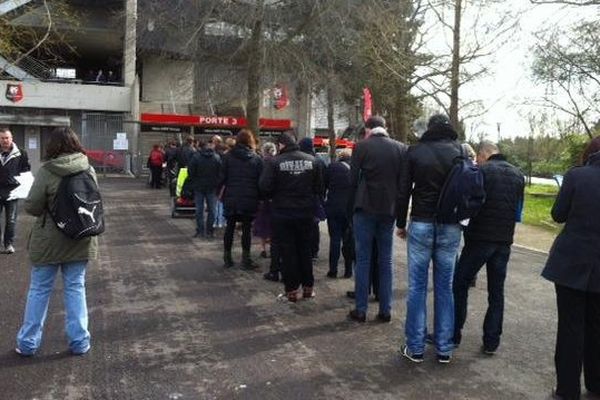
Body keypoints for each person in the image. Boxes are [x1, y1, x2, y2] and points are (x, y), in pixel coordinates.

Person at [15, 127, 98, 356]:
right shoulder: (88, 168)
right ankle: (80, 342)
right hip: (80, 238)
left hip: (49, 241)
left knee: (40, 290)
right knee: (75, 289)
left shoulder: (47, 171)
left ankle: (28, 344)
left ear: (52, 146)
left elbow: (32, 206)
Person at [397, 114, 463, 364]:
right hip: (450, 225)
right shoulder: (460, 151)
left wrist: (401, 223)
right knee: (445, 287)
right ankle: (444, 348)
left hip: (422, 222)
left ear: (429, 129)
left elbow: (403, 190)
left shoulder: (415, 152)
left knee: (417, 287)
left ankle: (415, 348)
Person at [453, 141, 524, 355]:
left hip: (479, 239)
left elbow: (470, 204)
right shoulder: (518, 175)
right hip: (504, 240)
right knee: (496, 291)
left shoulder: (481, 171)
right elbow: (518, 211)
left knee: (460, 283)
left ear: (484, 154)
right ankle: (491, 341)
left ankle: (453, 333)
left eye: (478, 157)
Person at [542, 137, 600, 400]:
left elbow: (558, 214)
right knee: (597, 326)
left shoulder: (577, 176)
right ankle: (597, 383)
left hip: (572, 262)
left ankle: (567, 389)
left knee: (570, 327)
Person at [347, 116, 408, 323]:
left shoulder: (361, 147)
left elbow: (352, 181)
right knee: (386, 259)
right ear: (385, 127)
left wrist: (350, 211)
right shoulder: (401, 148)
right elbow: (403, 186)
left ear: (368, 129)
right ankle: (385, 309)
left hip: (364, 207)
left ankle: (361, 309)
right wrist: (401, 217)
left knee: (363, 258)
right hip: (388, 210)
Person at [259, 131, 323, 302]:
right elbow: (319, 187)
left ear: (281, 145)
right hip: (306, 213)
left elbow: (264, 186)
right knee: (305, 250)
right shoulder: (312, 160)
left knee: (288, 252)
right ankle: (308, 288)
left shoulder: (274, 162)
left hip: (283, 212)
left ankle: (291, 290)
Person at [220, 129, 263, 269]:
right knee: (246, 229)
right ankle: (246, 259)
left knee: (230, 227)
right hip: (249, 198)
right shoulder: (256, 159)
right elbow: (261, 181)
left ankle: (227, 258)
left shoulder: (227, 157)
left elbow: (222, 178)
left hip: (231, 196)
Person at [0, 127, 31, 254]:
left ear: (11, 138)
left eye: (7, 138)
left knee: (11, 220)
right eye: (2, 138)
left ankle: (8, 244)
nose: (4, 140)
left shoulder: (21, 153)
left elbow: (26, 170)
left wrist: (24, 186)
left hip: (13, 192)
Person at [324, 148, 353, 279]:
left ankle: (333, 270)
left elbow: (324, 185)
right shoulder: (355, 168)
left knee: (335, 240)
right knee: (348, 241)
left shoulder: (332, 167)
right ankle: (348, 270)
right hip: (349, 209)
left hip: (333, 207)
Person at [299, 137, 326, 261]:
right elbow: (324, 181)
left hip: (303, 198)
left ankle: (303, 250)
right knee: (314, 226)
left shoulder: (300, 160)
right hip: (316, 198)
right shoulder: (319, 160)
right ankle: (314, 251)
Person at [188, 139, 221, 239]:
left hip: (199, 187)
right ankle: (210, 231)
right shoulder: (216, 157)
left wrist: (194, 182)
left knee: (199, 210)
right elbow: (220, 173)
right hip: (212, 188)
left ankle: (200, 230)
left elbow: (191, 172)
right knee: (212, 210)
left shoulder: (196, 157)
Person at [254, 142, 277, 258]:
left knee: (263, 223)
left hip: (262, 198)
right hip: (274, 198)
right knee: (273, 223)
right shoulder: (277, 162)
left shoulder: (260, 162)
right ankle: (273, 245)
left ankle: (263, 248)